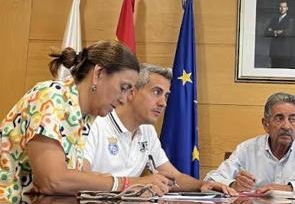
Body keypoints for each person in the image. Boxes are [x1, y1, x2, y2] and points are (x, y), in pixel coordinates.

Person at [0, 40, 173, 202]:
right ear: (98, 74)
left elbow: (81, 179)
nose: (123, 99)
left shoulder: (87, 116)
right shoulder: (51, 96)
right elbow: (52, 180)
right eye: (123, 88)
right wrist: (127, 183)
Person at [84, 63, 235, 195]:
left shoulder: (147, 131)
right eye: (157, 92)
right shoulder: (97, 124)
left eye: (166, 96)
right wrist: (137, 183)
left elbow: (173, 177)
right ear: (132, 92)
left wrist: (203, 185)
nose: (163, 103)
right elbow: (81, 177)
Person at [205, 92, 295, 193]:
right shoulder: (247, 149)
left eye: (292, 119)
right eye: (279, 118)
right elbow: (211, 180)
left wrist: (289, 188)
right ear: (265, 124)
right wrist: (233, 185)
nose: (286, 126)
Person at [264, 1, 295, 69]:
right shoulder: (274, 19)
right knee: (274, 70)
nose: (282, 9)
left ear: (287, 8)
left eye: (284, 7)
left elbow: (288, 33)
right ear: (278, 8)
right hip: (274, 51)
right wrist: (278, 32)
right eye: (280, 7)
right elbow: (266, 32)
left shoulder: (290, 19)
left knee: (283, 70)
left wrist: (273, 31)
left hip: (284, 51)